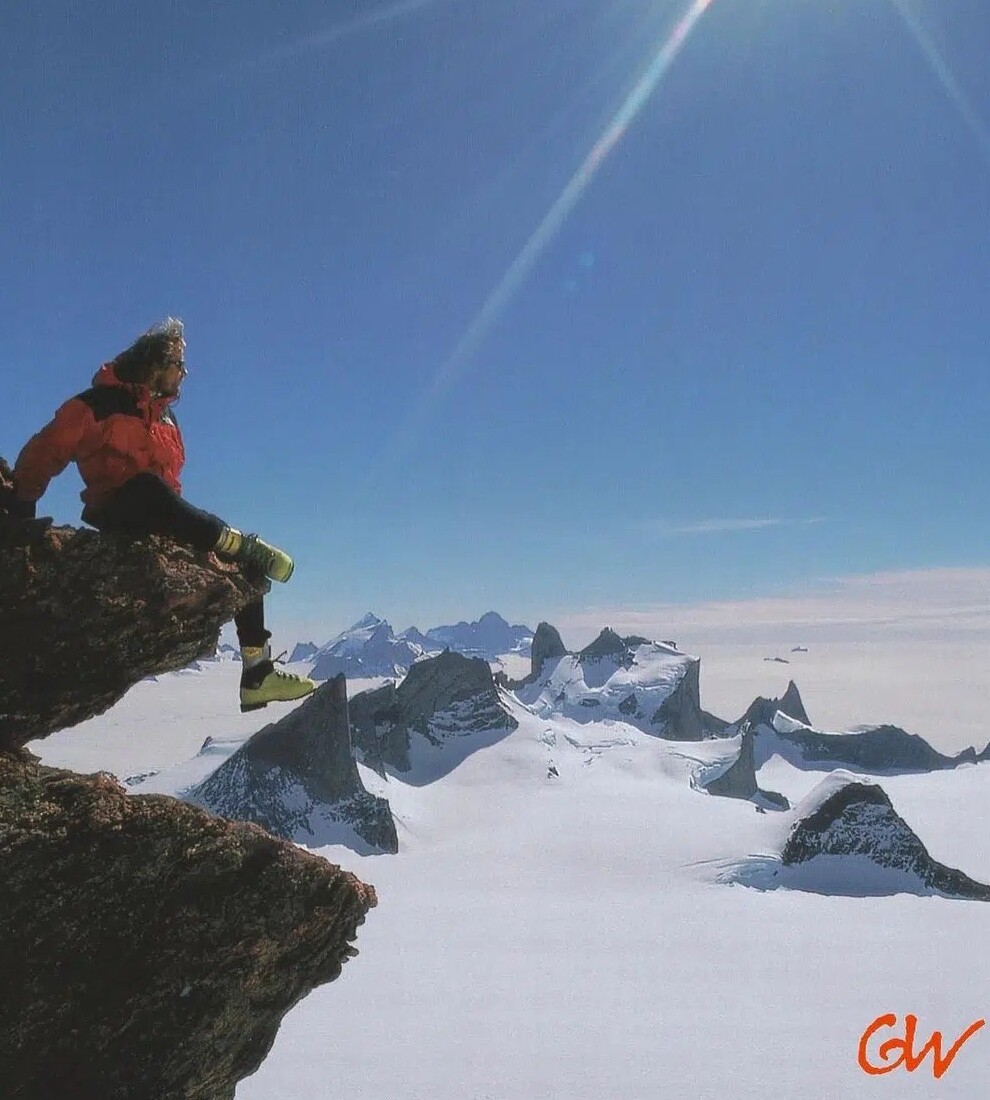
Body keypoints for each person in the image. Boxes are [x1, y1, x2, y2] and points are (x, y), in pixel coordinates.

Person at [3, 318, 316, 713]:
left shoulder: (167, 420)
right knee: (146, 488)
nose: (184, 373)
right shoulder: (95, 406)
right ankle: (243, 542)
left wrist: (188, 535)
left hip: (157, 510)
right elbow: (43, 453)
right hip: (117, 506)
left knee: (243, 567)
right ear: (155, 365)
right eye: (179, 365)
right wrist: (21, 514)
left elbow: (173, 492)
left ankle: (257, 672)